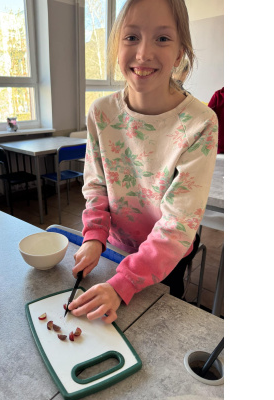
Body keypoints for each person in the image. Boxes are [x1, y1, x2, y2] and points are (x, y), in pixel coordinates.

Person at [67, 0, 218, 324]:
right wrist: (94, 235)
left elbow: (178, 225)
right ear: (116, 46)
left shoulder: (200, 122)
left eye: (162, 38)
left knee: (157, 324)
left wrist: (124, 283)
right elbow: (96, 184)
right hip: (115, 245)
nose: (143, 53)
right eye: (131, 37)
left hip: (167, 255)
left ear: (179, 53)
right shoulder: (101, 112)